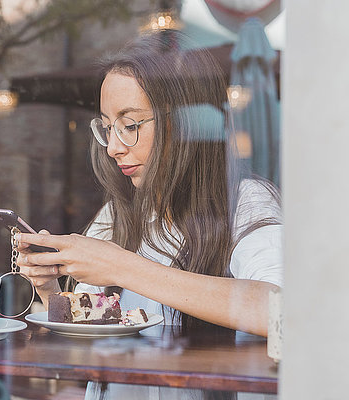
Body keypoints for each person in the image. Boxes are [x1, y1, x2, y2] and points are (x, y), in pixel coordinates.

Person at [16, 31, 282, 399]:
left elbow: (285, 312)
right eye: (108, 127)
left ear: (185, 122)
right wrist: (49, 289)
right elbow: (91, 328)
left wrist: (122, 267)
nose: (112, 147)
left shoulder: (246, 201)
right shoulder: (120, 210)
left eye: (130, 125)